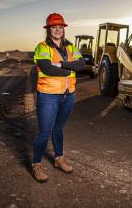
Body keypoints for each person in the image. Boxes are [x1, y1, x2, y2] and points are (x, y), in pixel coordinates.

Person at [32, 13, 86, 183]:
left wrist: (62, 64)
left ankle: (59, 159)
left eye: (60, 27)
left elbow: (82, 64)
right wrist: (70, 69)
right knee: (44, 132)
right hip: (49, 95)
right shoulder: (42, 47)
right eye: (54, 27)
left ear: (63, 29)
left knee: (58, 128)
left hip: (68, 95)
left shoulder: (71, 47)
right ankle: (36, 164)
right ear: (48, 29)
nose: (57, 30)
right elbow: (47, 69)